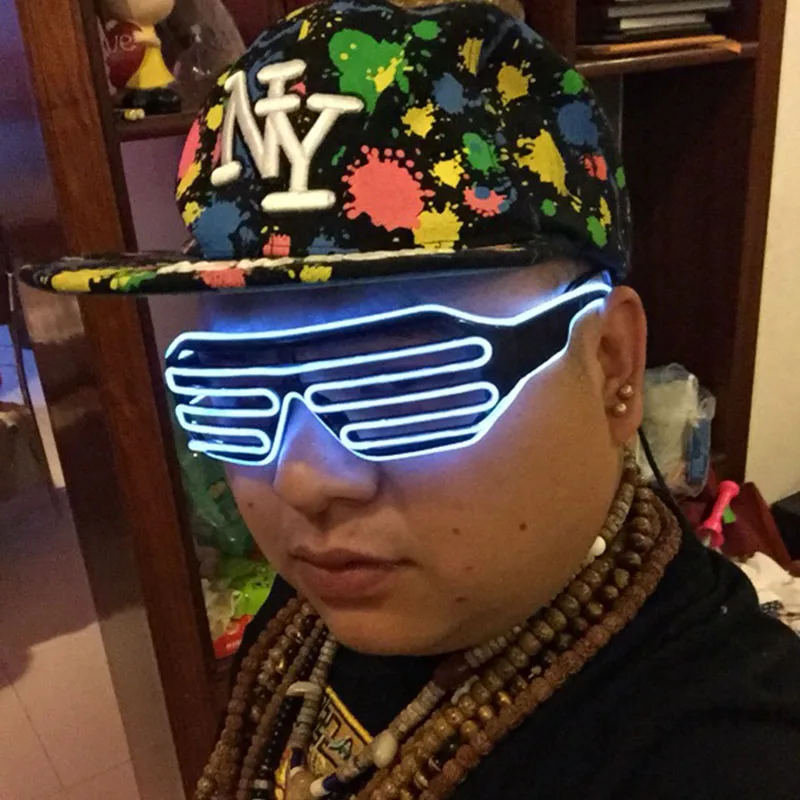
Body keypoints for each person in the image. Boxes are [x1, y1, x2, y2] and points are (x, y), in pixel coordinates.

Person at [21, 1, 800, 799]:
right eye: (239, 388)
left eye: (406, 383)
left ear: (611, 365)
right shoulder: (329, 600)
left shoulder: (724, 753)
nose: (302, 480)